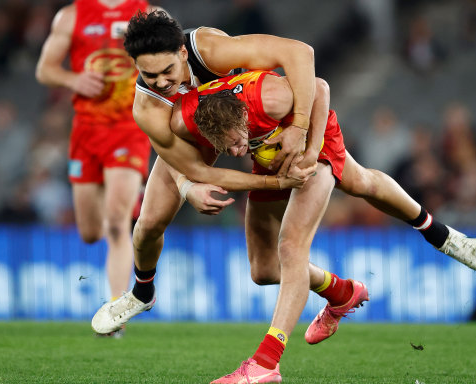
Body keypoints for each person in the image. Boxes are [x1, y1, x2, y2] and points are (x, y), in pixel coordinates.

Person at [175, 69, 476, 384]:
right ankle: (341, 291)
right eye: (225, 149)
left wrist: (311, 150)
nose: (234, 152)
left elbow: (319, 87)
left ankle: (265, 362)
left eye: (234, 142)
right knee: (265, 268)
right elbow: (182, 158)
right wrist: (192, 186)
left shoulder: (268, 98)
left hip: (315, 141)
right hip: (273, 159)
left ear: (243, 118)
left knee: (291, 247)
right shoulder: (188, 117)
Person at [91, 10, 320, 336]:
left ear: (182, 53)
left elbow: (300, 53)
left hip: (251, 115)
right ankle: (143, 292)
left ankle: (416, 223)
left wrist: (298, 126)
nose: (160, 82)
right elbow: (189, 165)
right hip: (194, 137)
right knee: (148, 224)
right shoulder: (148, 106)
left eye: (167, 70)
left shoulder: (208, 50)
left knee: (353, 182)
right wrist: (188, 188)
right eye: (149, 74)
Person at [35, 0, 162, 336]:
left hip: (129, 127)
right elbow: (44, 69)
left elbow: (174, 62)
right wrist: (74, 79)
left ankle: (116, 312)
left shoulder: (147, 15)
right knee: (91, 232)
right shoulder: (73, 15)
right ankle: (127, 199)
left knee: (119, 223)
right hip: (86, 133)